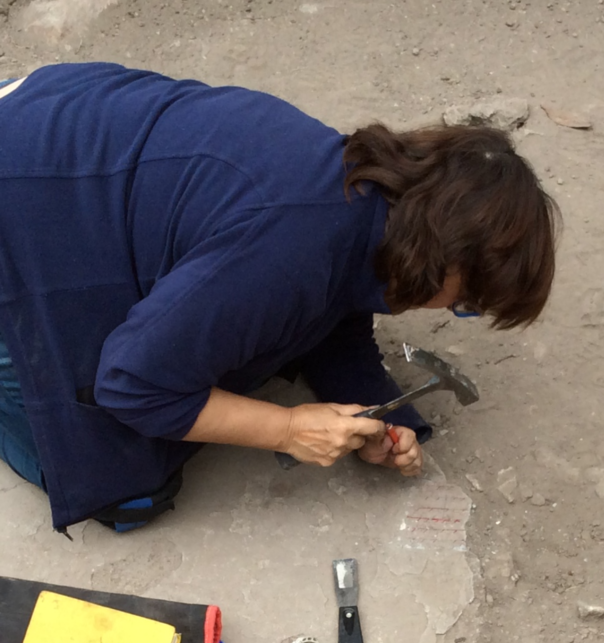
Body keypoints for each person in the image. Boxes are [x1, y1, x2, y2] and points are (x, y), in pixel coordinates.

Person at [0, 63, 559, 533]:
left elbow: (338, 307)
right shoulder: (292, 244)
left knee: (221, 359)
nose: (453, 313)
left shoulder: (366, 197)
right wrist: (289, 430)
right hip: (19, 189)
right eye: (465, 303)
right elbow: (130, 384)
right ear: (441, 257)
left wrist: (381, 417)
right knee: (120, 487)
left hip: (54, 128)